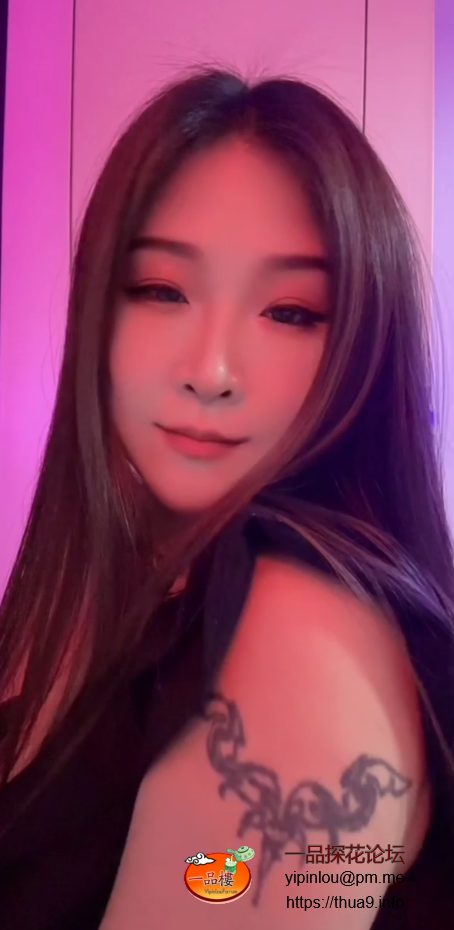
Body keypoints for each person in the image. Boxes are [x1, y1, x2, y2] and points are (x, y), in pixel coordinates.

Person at [0, 64, 453, 930]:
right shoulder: (133, 591)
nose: (210, 372)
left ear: (366, 343)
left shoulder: (299, 617)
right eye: (160, 291)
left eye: (291, 312)